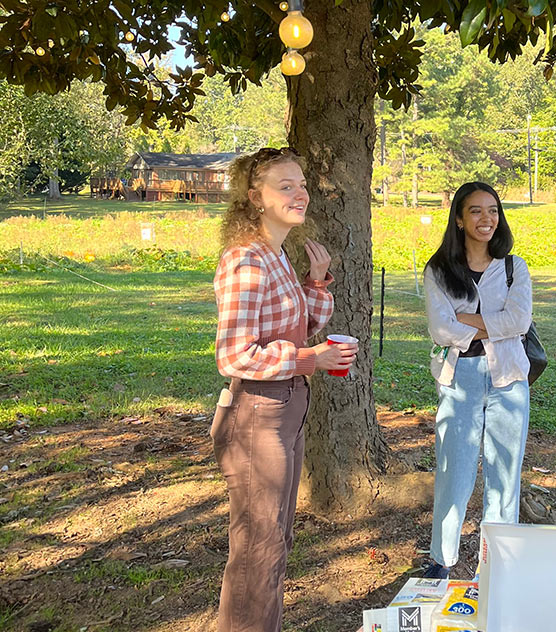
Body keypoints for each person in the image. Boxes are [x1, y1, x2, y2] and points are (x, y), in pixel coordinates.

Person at [210, 147, 358, 632]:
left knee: (274, 538)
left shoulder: (276, 255)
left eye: (302, 184)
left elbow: (299, 329)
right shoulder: (246, 261)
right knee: (259, 547)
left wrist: (316, 283)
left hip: (288, 406)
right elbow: (234, 355)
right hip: (256, 412)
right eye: (285, 186)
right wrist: (309, 360)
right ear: (256, 198)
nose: (300, 194)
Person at [422, 181, 532, 579]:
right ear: (459, 218)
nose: (487, 219)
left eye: (493, 211)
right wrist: (492, 327)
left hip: (508, 380)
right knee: (455, 470)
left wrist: (468, 321)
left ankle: (499, 562)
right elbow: (441, 329)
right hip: (461, 377)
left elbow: (520, 320)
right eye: (476, 211)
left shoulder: (512, 267)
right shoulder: (438, 270)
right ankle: (441, 559)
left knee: (505, 472)